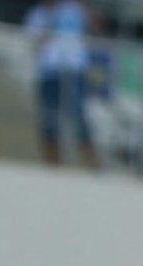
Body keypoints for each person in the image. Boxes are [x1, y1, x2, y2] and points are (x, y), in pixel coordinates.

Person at [25, 0, 100, 167]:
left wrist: (86, 7)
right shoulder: (37, 14)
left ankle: (91, 161)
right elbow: (36, 39)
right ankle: (52, 162)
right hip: (50, 70)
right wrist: (51, 20)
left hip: (74, 69)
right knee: (49, 116)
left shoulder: (74, 9)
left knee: (78, 115)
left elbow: (95, 26)